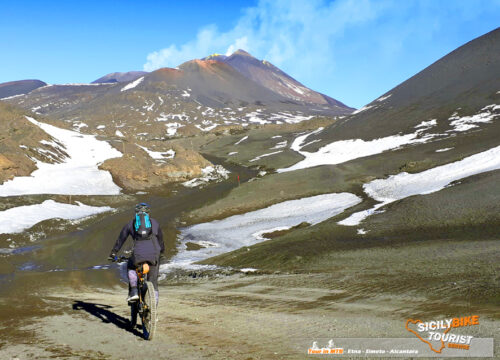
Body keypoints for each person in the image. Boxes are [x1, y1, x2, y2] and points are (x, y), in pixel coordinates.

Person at [109, 203, 164, 303]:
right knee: (154, 282)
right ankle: (153, 310)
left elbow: (121, 240)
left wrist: (113, 253)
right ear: (148, 213)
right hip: (154, 255)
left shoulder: (131, 224)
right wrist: (162, 253)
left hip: (138, 254)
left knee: (131, 266)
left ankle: (134, 291)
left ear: (136, 213)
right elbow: (161, 240)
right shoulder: (155, 223)